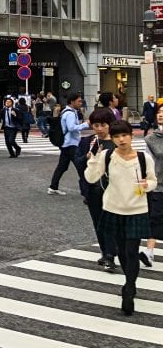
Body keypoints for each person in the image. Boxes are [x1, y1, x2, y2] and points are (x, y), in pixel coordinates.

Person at [84, 120, 157, 315]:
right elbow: (91, 178)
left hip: (136, 210)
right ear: (113, 139)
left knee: (132, 251)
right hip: (113, 209)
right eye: (116, 136)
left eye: (124, 135)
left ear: (131, 136)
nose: (121, 139)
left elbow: (153, 180)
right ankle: (130, 282)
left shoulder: (143, 158)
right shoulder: (107, 156)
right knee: (122, 252)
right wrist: (92, 160)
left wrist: (146, 185)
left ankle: (129, 288)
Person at [77, 107, 119, 272]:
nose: (100, 129)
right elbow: (78, 164)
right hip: (93, 189)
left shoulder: (117, 142)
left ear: (110, 124)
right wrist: (87, 157)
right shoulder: (88, 142)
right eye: (96, 125)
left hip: (114, 189)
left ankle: (111, 254)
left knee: (111, 222)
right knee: (99, 223)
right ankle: (106, 252)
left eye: (103, 125)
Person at [49, 92, 88, 195]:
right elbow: (71, 128)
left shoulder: (66, 111)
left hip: (66, 144)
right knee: (81, 166)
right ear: (72, 102)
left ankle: (53, 187)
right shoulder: (70, 113)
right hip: (71, 144)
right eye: (79, 101)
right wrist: (85, 125)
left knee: (62, 166)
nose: (81, 103)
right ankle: (86, 190)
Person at [142, 107, 163, 268]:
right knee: (155, 218)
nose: (161, 115)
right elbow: (146, 161)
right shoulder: (150, 139)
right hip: (158, 184)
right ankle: (149, 252)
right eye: (159, 113)